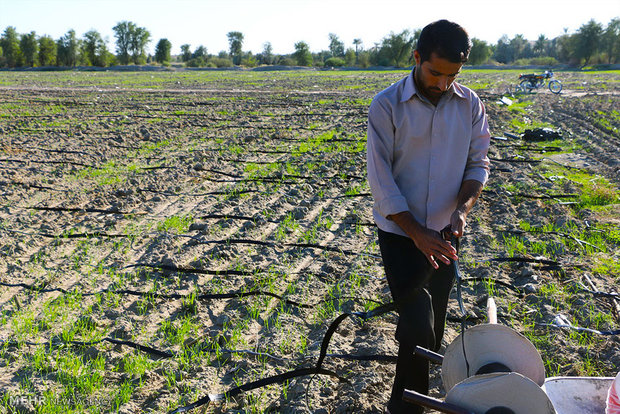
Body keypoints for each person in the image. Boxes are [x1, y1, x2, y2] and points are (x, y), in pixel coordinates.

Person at [366, 19, 491, 414]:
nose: (442, 83)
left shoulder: (470, 104)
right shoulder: (386, 105)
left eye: (452, 75)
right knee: (418, 320)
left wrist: (461, 212)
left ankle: (402, 402)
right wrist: (416, 232)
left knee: (432, 330)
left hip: (444, 232)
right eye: (435, 72)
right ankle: (410, 409)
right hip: (401, 233)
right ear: (417, 57)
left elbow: (478, 165)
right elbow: (381, 180)